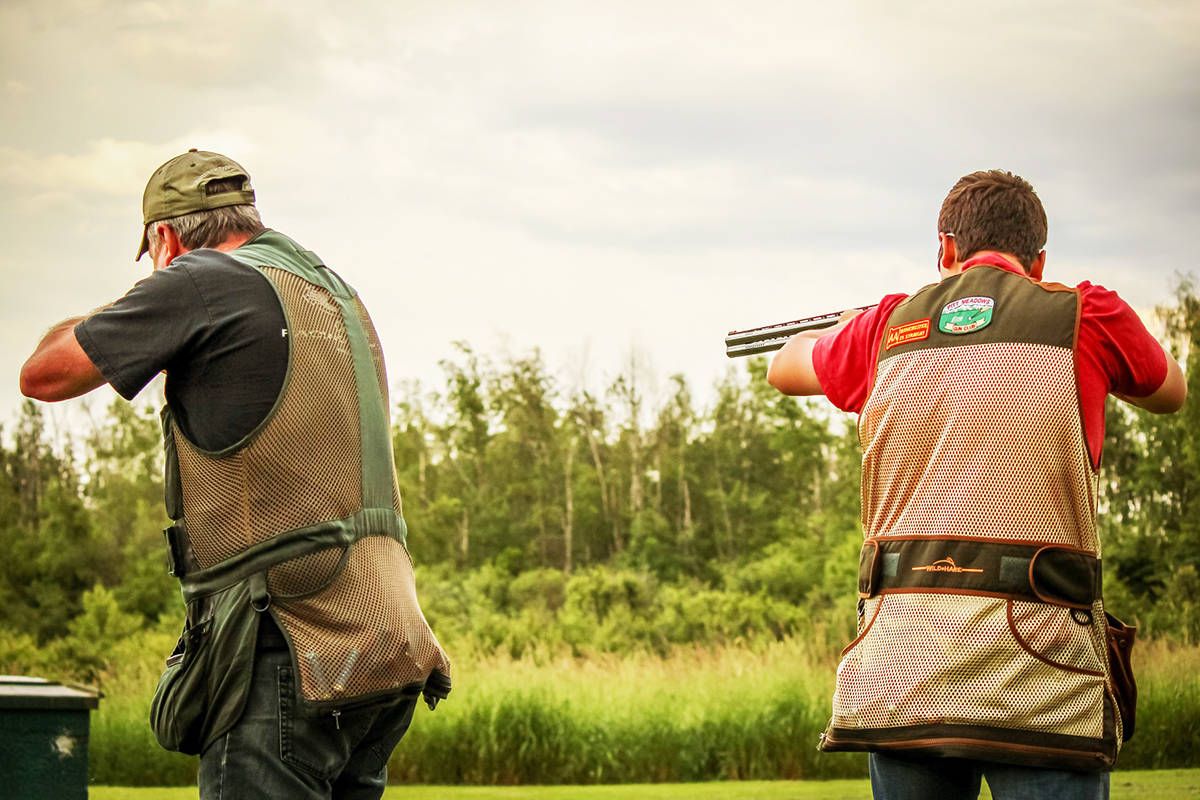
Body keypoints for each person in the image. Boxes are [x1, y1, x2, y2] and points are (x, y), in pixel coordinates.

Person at [20, 149, 452, 799]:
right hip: (385, 642)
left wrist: (155, 297)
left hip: (286, 648)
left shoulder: (200, 280)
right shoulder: (332, 293)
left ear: (164, 237)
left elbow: (44, 374)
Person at [766, 170, 1186, 800]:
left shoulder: (887, 326)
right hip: (1044, 680)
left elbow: (782, 367)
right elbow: (1171, 391)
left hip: (904, 677)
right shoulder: (1085, 313)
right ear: (1040, 260)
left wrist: (852, 323)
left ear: (945, 250)